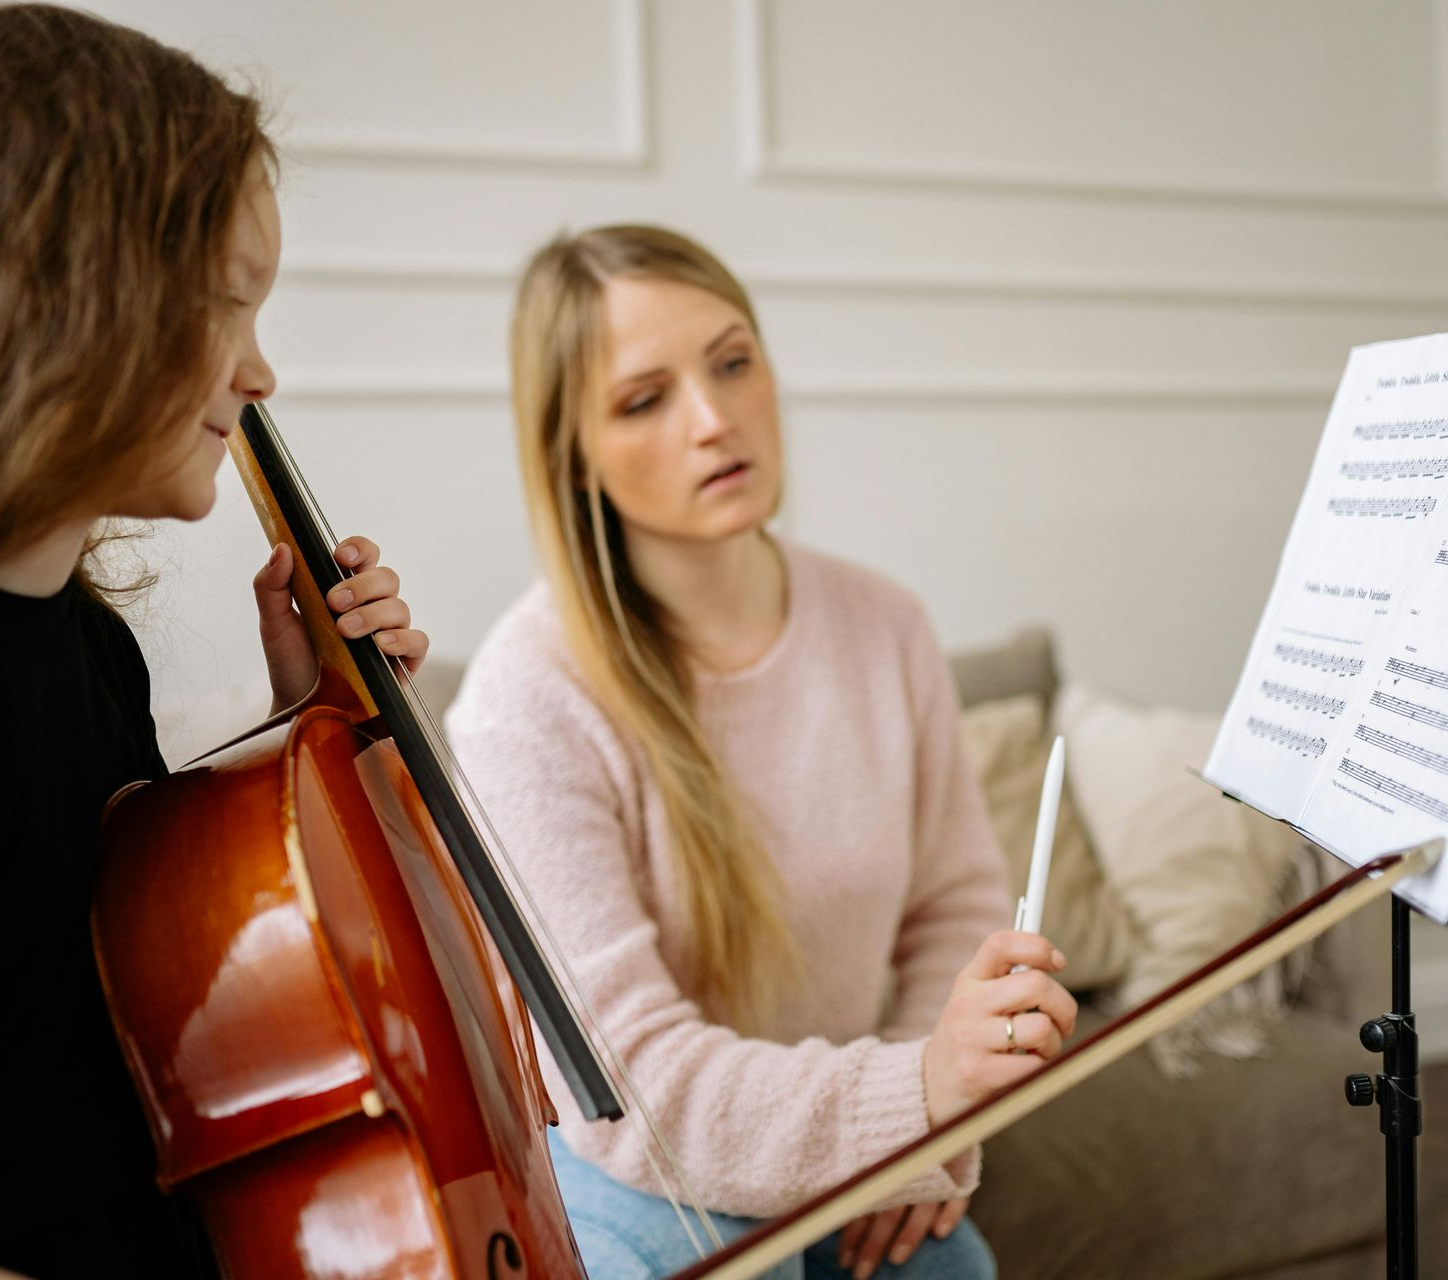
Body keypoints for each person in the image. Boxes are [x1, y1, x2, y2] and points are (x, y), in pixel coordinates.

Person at [445, 225, 1079, 1280]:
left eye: (733, 361)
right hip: (629, 1170)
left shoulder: (888, 625)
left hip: (856, 1130)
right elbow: (629, 1084)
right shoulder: (525, 693)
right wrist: (911, 1096)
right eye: (644, 399)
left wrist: (926, 1139)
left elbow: (953, 907)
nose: (713, 418)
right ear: (574, 452)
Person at [0, 8, 427, 1275]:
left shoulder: (86, 644)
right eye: (227, 306)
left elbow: (139, 984)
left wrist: (301, 744)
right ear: (79, 298)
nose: (259, 372)